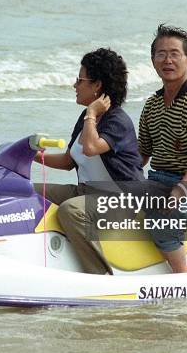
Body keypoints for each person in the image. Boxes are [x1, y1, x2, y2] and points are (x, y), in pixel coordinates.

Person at [34, 47, 144, 275]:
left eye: (80, 80)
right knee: (27, 191)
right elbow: (67, 161)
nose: (75, 85)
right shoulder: (85, 118)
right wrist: (31, 155)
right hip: (86, 192)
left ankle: (99, 274)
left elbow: (91, 147)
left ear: (97, 85)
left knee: (71, 210)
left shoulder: (117, 121)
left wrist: (92, 114)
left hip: (121, 201)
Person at [135, 24, 187, 273]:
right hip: (158, 179)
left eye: (175, 54)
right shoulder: (151, 104)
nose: (168, 60)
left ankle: (182, 281)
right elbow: (142, 154)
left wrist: (181, 190)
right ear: (153, 61)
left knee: (166, 218)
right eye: (161, 54)